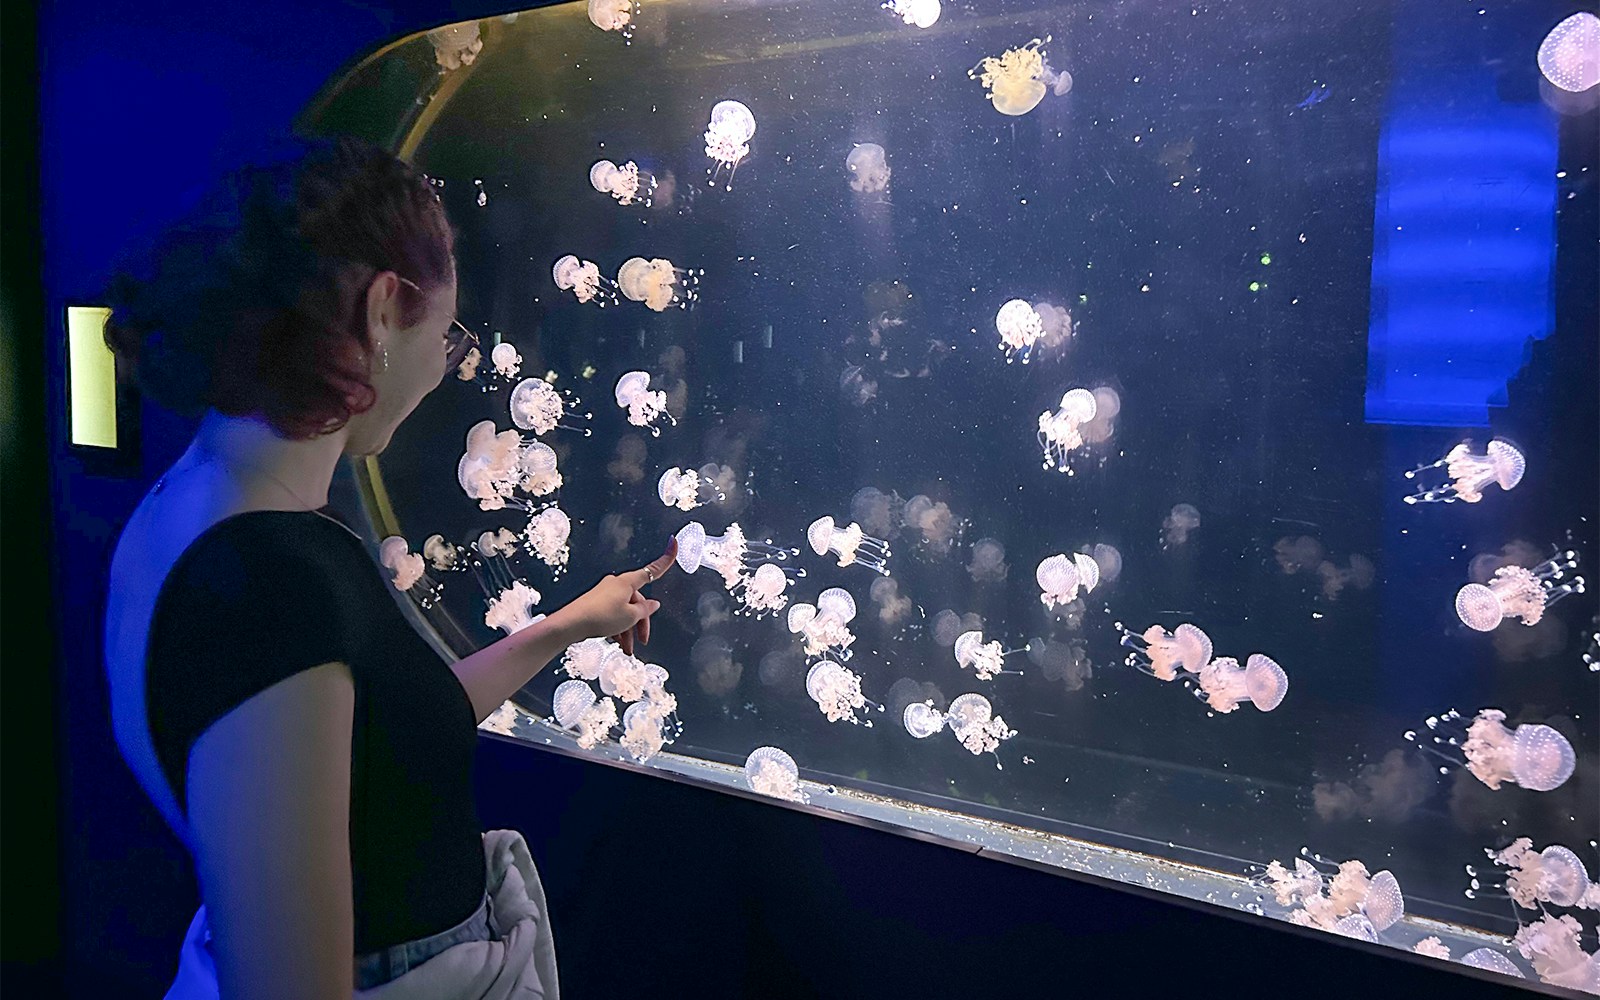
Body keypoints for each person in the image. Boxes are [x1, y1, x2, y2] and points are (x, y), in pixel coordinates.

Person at [101, 137, 673, 998]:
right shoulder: (266, 585)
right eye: (444, 335)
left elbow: (381, 739)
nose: (443, 369)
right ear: (381, 310)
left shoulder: (194, 511)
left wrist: (566, 626)